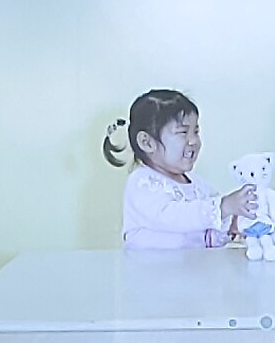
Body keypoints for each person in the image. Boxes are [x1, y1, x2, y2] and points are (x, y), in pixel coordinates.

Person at [104, 87, 248, 250]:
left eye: (196, 132)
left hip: (191, 265)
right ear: (147, 142)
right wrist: (222, 207)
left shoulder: (198, 185)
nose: (193, 141)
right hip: (149, 266)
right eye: (183, 132)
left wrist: (231, 226)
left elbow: (205, 237)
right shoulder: (142, 182)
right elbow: (173, 217)